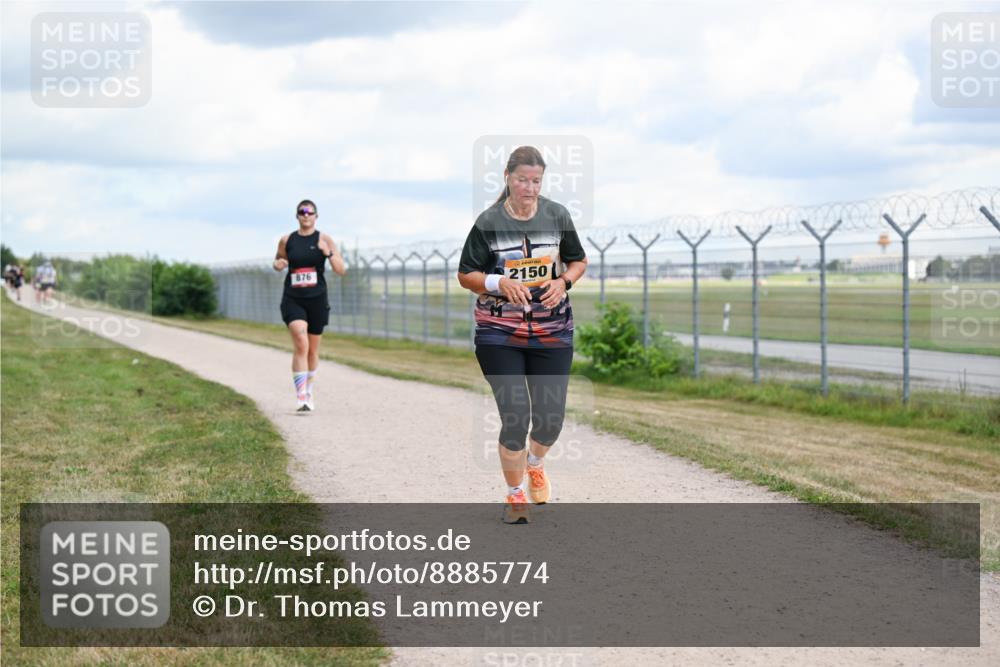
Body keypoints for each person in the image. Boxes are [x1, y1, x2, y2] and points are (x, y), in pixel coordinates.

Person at [457, 146, 588, 524]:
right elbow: (466, 274)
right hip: (500, 333)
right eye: (522, 180)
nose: (529, 188)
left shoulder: (556, 215)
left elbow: (578, 261)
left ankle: (535, 463)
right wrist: (498, 282)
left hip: (552, 330)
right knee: (516, 416)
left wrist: (563, 282)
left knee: (550, 420)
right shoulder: (488, 222)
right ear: (507, 177)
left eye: (536, 181)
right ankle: (515, 495)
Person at [273, 199, 346, 412]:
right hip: (293, 298)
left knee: (313, 350)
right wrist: (278, 264)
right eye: (302, 212)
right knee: (300, 342)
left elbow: (341, 269)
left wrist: (328, 253)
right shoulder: (287, 240)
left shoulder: (325, 239)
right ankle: (301, 396)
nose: (306, 216)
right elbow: (278, 261)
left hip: (317, 299)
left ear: (316, 216)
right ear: (297, 216)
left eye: (310, 212)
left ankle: (309, 388)